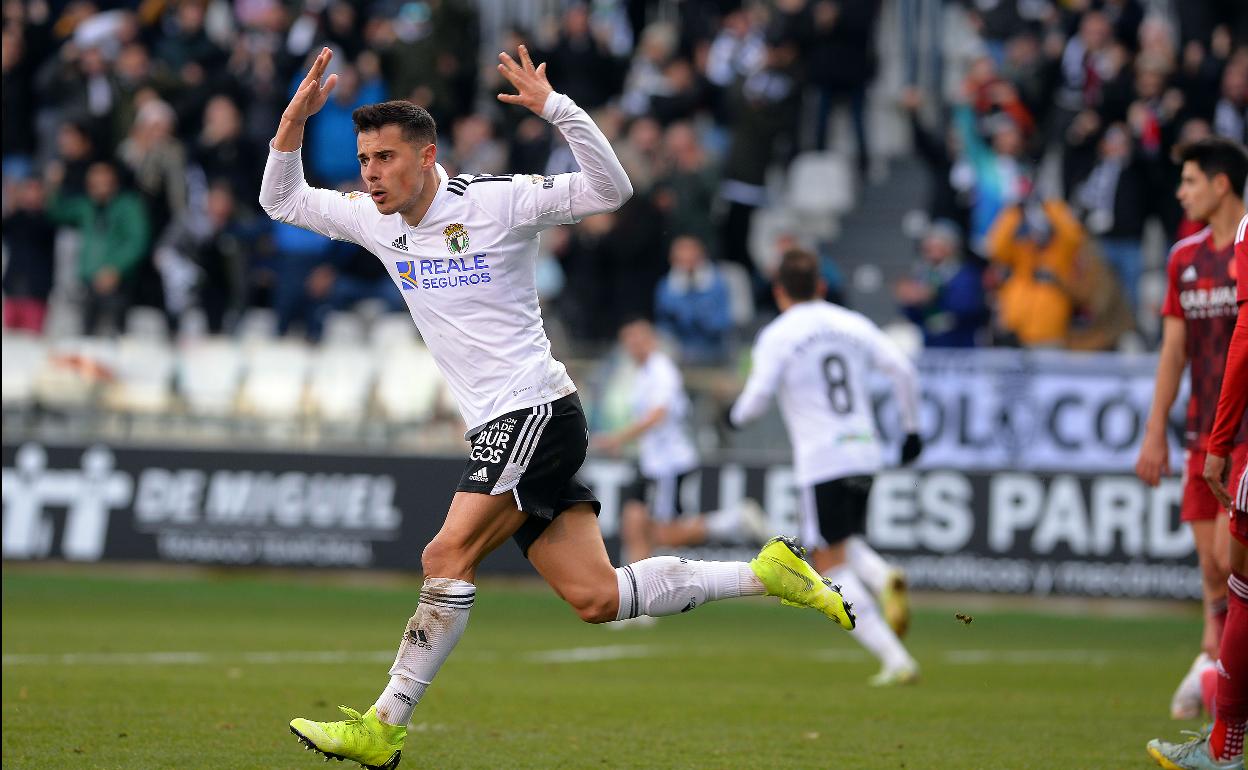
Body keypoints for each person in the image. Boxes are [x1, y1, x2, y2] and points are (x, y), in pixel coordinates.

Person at [262, 46, 854, 770]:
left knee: (444, 554)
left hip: (537, 411)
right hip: (504, 427)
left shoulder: (496, 200)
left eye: (386, 157)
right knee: (597, 598)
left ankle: (384, 724)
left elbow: (612, 190)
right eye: (363, 159)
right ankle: (766, 573)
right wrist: (292, 122)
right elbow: (281, 199)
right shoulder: (372, 221)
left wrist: (558, 110)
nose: (372, 174)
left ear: (427, 155)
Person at [727, 248, 923, 686]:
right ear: (820, 285)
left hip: (821, 458)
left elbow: (755, 401)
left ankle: (896, 657)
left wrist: (730, 417)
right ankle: (880, 577)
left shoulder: (779, 334)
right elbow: (904, 371)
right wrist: (911, 432)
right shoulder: (853, 323)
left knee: (828, 562)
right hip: (865, 451)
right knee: (842, 542)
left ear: (778, 292)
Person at [1136, 138, 1248, 728]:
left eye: (1190, 181)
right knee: (1210, 563)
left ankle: (1218, 678)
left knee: (1235, 559)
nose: (1181, 192)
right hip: (1202, 433)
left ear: (1221, 184)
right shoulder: (1184, 257)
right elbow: (1173, 352)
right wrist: (1156, 430)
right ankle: (1211, 660)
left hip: (1245, 434)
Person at [595, 318, 768, 574]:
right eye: (629, 341)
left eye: (639, 339)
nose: (634, 346)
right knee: (633, 522)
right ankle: (635, 595)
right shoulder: (642, 373)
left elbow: (658, 414)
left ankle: (734, 520)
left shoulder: (661, 370)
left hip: (669, 464)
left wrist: (618, 438)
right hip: (650, 461)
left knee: (663, 534)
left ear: (652, 341)